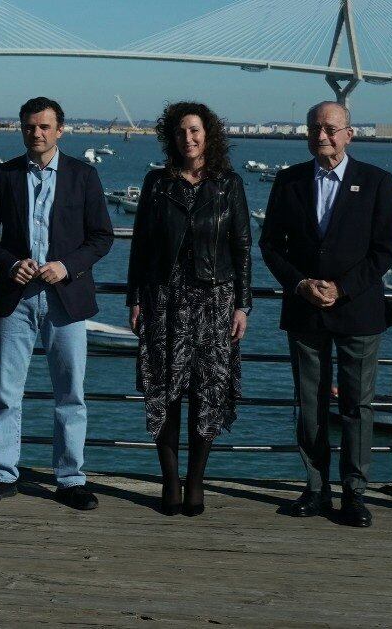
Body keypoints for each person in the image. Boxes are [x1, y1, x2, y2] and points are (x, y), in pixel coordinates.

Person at [0, 97, 113, 510]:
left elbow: (101, 236)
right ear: (22, 129)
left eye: (45, 127)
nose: (37, 133)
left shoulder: (84, 176)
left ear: (60, 130)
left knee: (71, 393)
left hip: (65, 298)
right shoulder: (4, 175)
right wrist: (10, 263)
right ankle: (1, 472)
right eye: (30, 127)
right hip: (15, 298)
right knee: (5, 391)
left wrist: (67, 267)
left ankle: (70, 478)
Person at [260, 101, 392, 527]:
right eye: (315, 128)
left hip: (358, 310)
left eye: (331, 128)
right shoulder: (288, 181)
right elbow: (270, 245)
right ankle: (315, 488)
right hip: (305, 308)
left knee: (357, 405)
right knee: (310, 403)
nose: (322, 135)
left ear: (349, 133)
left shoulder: (376, 181)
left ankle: (355, 494)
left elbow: (385, 250)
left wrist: (342, 288)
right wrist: (300, 283)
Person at [126, 100, 251, 516]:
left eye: (195, 130)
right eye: (181, 132)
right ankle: (169, 480)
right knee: (165, 389)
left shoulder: (228, 184)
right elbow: (141, 245)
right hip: (164, 298)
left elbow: (242, 248)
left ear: (208, 134)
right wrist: (134, 298)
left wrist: (243, 306)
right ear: (171, 137)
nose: (189, 138)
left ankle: (196, 480)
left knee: (207, 392)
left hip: (215, 300)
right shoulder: (157, 184)